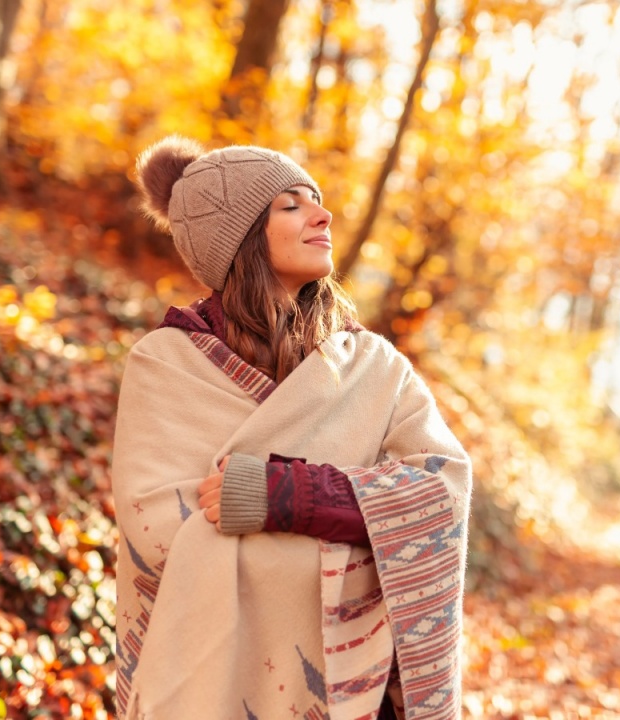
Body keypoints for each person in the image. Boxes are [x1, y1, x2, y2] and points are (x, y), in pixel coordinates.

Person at [111, 137, 472, 720]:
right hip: (212, 686)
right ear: (240, 235)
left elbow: (441, 493)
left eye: (318, 199)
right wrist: (358, 539)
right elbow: (157, 533)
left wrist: (290, 497)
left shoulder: (375, 367)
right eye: (291, 204)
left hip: (360, 696)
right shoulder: (165, 365)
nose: (323, 214)